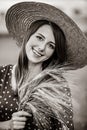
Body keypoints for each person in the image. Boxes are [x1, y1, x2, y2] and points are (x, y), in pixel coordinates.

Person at [0, 1, 87, 130]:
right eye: (39, 38)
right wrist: (6, 125)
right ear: (28, 36)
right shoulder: (2, 74)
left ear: (54, 53)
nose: (41, 48)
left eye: (51, 46)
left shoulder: (57, 87)